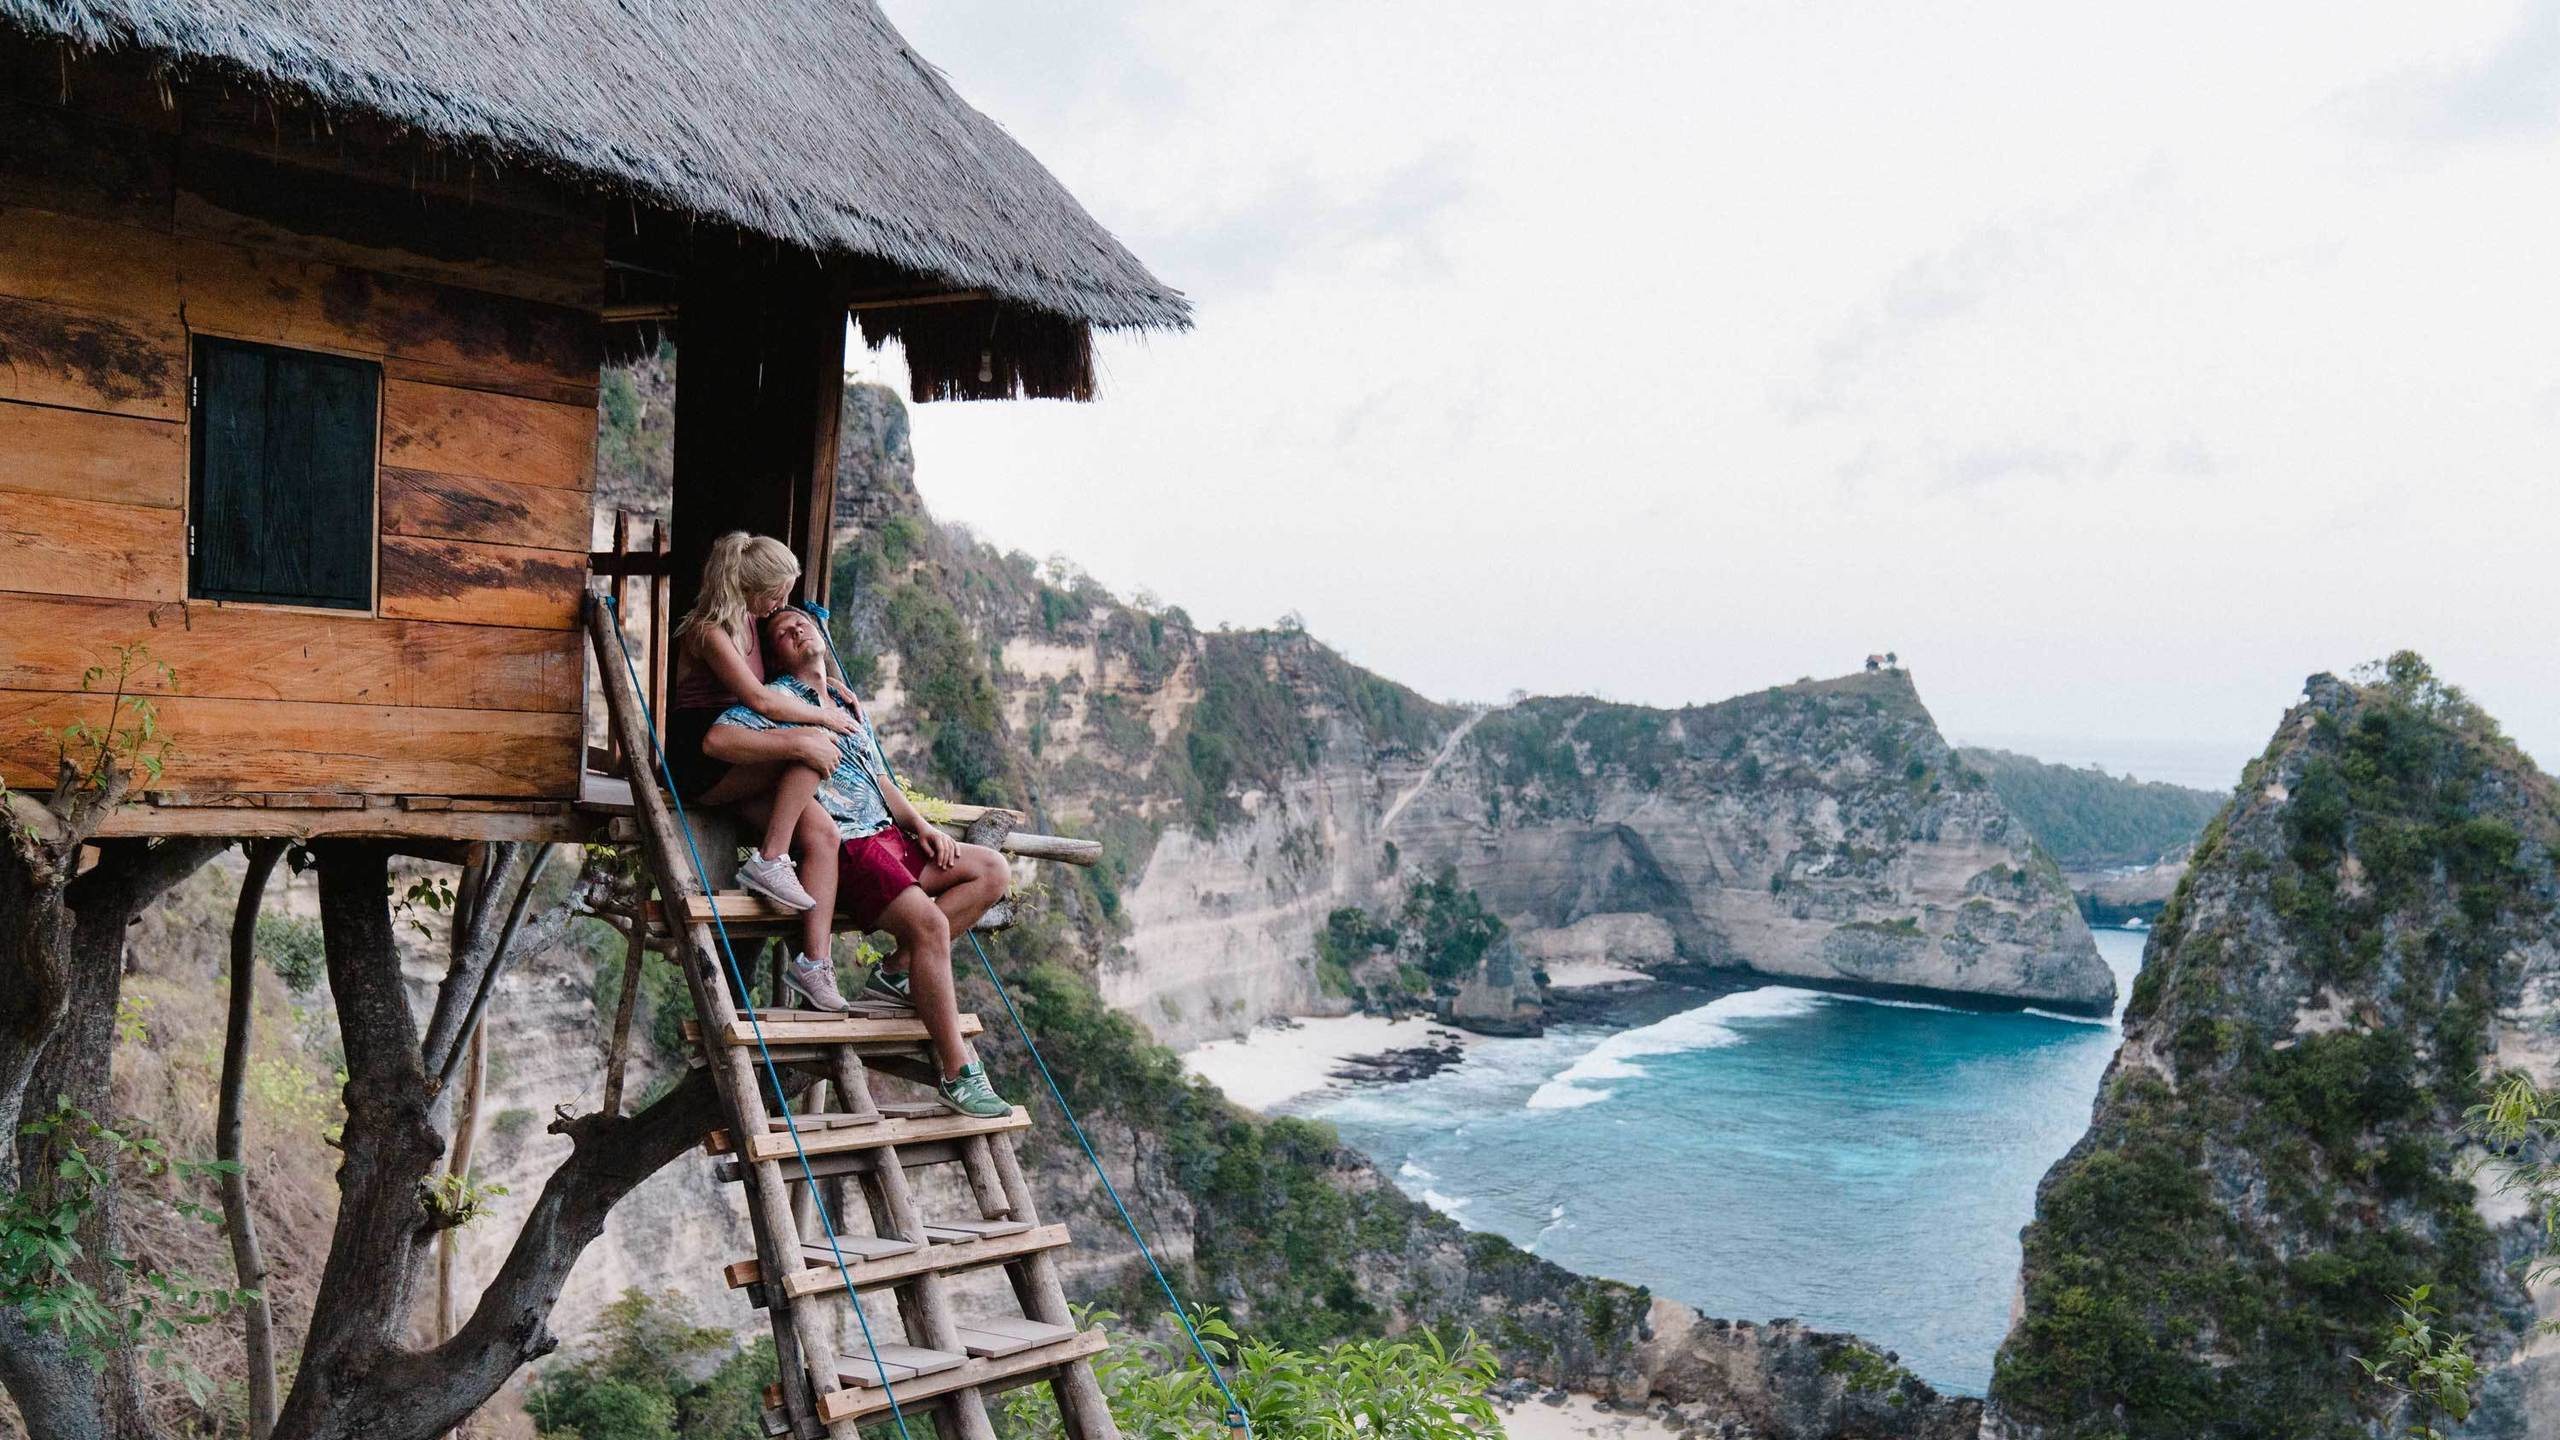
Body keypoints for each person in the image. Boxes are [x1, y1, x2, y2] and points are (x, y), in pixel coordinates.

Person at [712, 605, 1015, 1119]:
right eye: (782, 633)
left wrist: (921, 826)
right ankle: (957, 1072)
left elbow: (880, 780)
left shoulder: (848, 705)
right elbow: (720, 738)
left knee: (991, 871)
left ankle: (896, 974)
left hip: (889, 832)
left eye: (801, 623)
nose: (795, 628)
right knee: (930, 929)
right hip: (851, 847)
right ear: (776, 658)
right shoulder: (779, 700)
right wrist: (786, 743)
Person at [663, 532, 850, 928]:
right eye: (775, 595)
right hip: (703, 756)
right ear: (746, 588)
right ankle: (770, 859)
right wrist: (823, 716)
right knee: (812, 745)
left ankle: (815, 964)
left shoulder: (751, 619)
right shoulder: (708, 631)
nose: (781, 605)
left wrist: (824, 685)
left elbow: (779, 679)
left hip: (749, 749)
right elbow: (760, 700)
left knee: (824, 835)